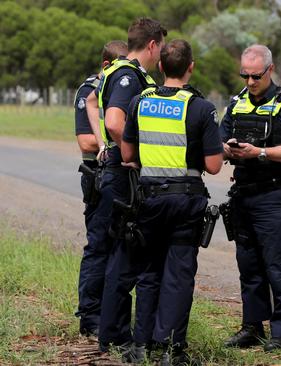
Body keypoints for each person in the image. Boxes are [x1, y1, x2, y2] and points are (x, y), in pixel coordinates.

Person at [121, 39, 223, 364]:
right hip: (185, 201)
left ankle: (141, 346)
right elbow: (213, 166)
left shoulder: (140, 101)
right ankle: (170, 350)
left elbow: (126, 154)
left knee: (149, 272)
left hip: (148, 200)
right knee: (178, 275)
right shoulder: (201, 108)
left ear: (161, 66)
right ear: (191, 67)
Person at [220, 44, 281, 352]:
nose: (249, 82)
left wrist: (260, 152)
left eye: (255, 76)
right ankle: (252, 328)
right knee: (249, 266)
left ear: (270, 70)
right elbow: (217, 143)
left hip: (273, 195)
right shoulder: (236, 103)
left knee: (279, 267)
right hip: (243, 195)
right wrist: (228, 149)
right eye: (244, 75)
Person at [84, 17, 167, 357]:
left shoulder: (122, 72)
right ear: (152, 45)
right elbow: (116, 120)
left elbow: (92, 102)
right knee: (122, 252)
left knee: (120, 250)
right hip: (122, 174)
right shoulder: (128, 75)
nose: (161, 52)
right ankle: (115, 334)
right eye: (160, 46)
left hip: (116, 170)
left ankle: (112, 331)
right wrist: (131, 153)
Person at [75, 40, 128, 338]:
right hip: (97, 175)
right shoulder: (91, 90)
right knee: (98, 245)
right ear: (107, 65)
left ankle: (110, 314)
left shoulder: (118, 88)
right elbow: (86, 141)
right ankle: (90, 315)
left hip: (118, 176)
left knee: (119, 247)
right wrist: (124, 139)